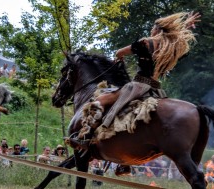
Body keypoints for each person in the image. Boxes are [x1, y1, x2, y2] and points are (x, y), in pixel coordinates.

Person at [67, 12, 201, 176]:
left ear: (157, 29)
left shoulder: (145, 43)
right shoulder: (171, 47)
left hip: (138, 85)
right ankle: (123, 163)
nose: (151, 30)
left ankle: (85, 138)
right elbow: (177, 38)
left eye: (153, 27)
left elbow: (119, 53)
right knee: (131, 117)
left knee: (100, 101)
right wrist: (186, 25)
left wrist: (119, 58)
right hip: (154, 89)